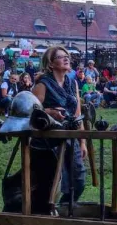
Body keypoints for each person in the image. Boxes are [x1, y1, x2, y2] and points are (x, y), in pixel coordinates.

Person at [32, 46, 88, 210]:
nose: (66, 58)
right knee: (53, 182)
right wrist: (49, 112)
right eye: (61, 57)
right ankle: (48, 218)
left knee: (78, 181)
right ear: (51, 64)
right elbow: (30, 110)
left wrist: (82, 142)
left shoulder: (73, 83)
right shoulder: (42, 84)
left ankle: (62, 212)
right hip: (50, 141)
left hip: (71, 137)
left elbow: (78, 114)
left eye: (67, 56)